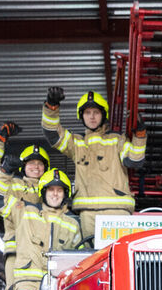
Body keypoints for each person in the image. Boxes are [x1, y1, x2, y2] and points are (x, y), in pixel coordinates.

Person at [41, 88, 146, 241]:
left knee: (117, 254)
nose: (92, 117)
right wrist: (52, 106)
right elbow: (53, 134)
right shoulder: (76, 143)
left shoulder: (116, 140)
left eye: (96, 112)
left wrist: (140, 136)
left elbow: (135, 160)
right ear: (81, 116)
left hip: (117, 211)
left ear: (103, 114)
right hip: (87, 213)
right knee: (92, 255)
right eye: (87, 113)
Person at [0, 121, 51, 286]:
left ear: (46, 168)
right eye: (31, 163)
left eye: (40, 163)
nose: (36, 167)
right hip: (16, 251)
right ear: (23, 166)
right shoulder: (11, 184)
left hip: (45, 253)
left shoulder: (52, 190)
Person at [1, 169, 82, 290]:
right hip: (27, 283)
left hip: (59, 286)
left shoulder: (73, 224)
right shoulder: (25, 211)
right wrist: (4, 170)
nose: (55, 194)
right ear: (43, 192)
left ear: (65, 194)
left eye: (59, 190)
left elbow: (81, 258)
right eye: (51, 189)